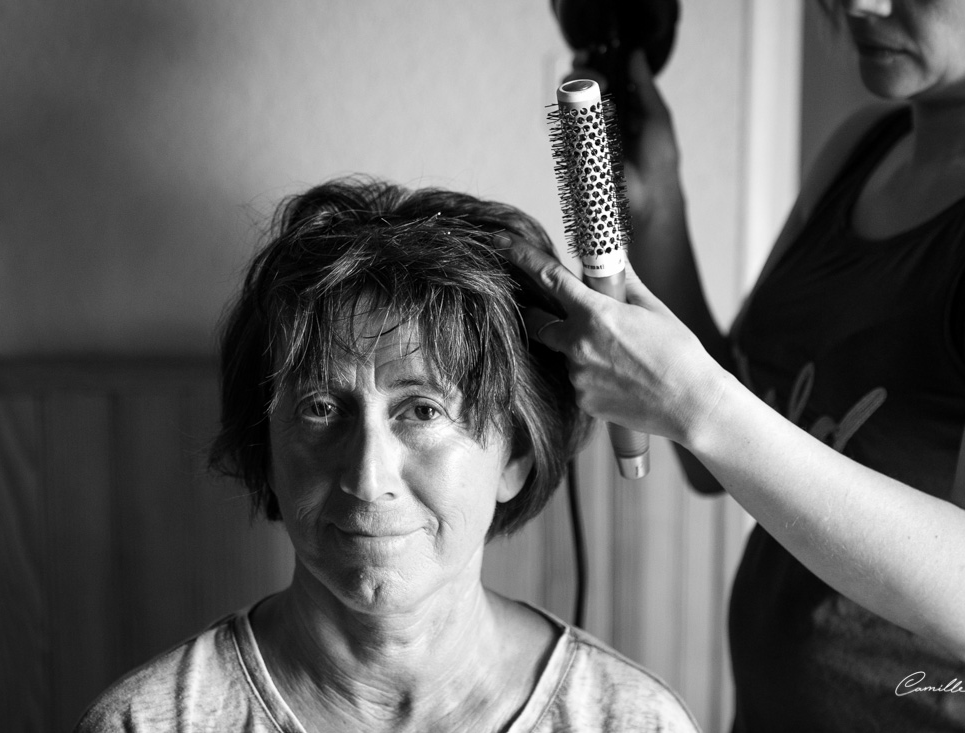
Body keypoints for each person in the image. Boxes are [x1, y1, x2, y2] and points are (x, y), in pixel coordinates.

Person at [506, 0, 965, 730]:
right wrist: (658, 207)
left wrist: (695, 400)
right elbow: (717, 446)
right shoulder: (860, 152)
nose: (859, 5)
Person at [73, 177, 702, 732]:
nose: (367, 479)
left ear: (514, 455)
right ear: (265, 449)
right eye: (321, 407)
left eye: (422, 411)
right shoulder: (144, 723)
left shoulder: (632, 721)